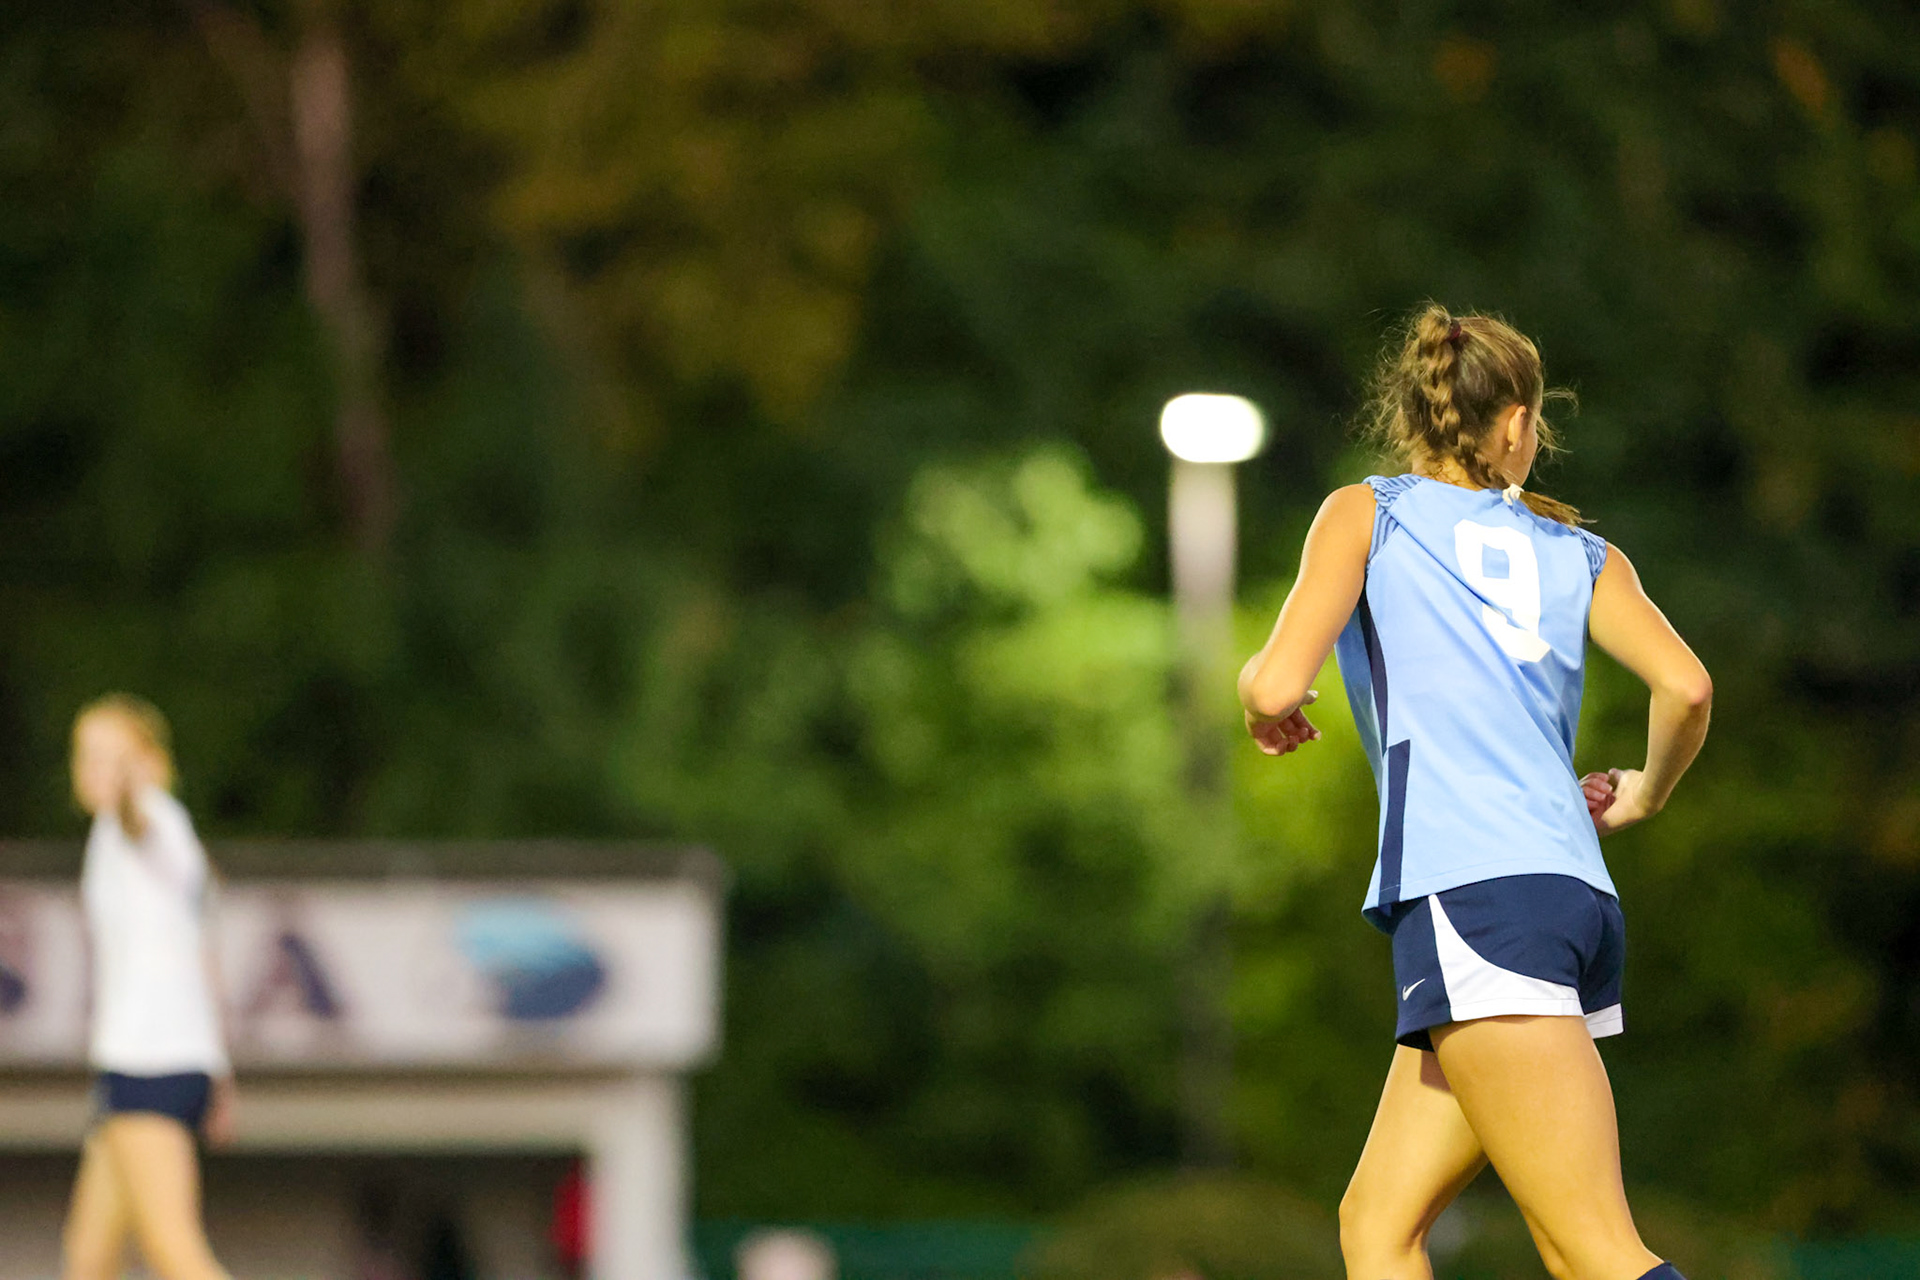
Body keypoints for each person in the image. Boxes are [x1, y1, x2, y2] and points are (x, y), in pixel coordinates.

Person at [1237, 306, 1711, 1280]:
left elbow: (1277, 684)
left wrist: (1257, 702)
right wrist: (1645, 793)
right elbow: (1687, 686)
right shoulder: (1582, 552)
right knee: (1378, 1223)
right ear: (1516, 422)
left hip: (1473, 897)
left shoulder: (1368, 512)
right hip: (1561, 898)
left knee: (1594, 1250)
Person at [63, 695, 237, 1280]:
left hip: (153, 1064)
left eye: (111, 757)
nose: (93, 769)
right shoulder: (110, 836)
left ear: (145, 763)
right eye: (86, 755)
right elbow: (202, 953)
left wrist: (136, 789)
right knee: (88, 1261)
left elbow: (157, 840)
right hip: (131, 1063)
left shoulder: (153, 822)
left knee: (173, 1248)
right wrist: (220, 1066)